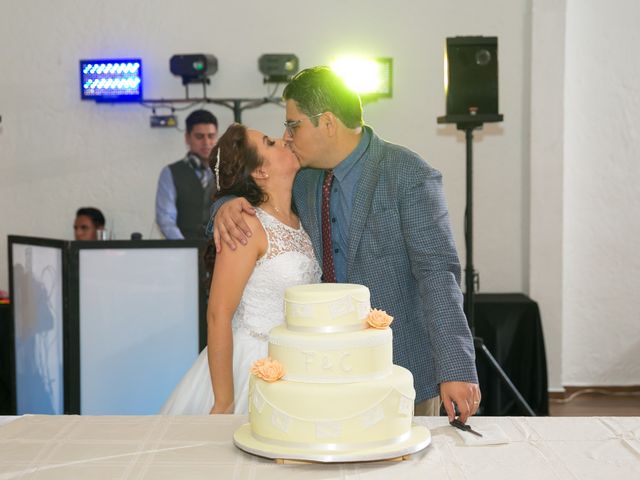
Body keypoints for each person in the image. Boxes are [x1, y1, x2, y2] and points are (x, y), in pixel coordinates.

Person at [212, 66, 481, 423]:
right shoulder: (304, 180)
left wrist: (455, 366)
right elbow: (258, 204)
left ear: (326, 123)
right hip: (321, 372)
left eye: (293, 125)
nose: (287, 136)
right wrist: (223, 208)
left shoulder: (408, 174)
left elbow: (438, 276)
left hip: (399, 367)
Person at [160, 123, 321, 415]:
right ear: (260, 171)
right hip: (252, 361)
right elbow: (218, 312)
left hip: (298, 360)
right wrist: (224, 401)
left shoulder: (302, 217)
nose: (285, 140)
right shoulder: (245, 223)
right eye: (270, 143)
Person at [155, 109, 219, 240]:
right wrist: (186, 248)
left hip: (223, 253)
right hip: (184, 252)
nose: (206, 142)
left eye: (211, 136)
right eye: (199, 136)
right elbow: (165, 219)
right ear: (187, 138)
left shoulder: (228, 172)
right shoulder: (170, 173)